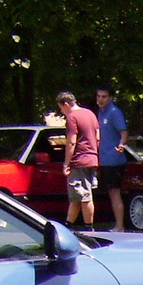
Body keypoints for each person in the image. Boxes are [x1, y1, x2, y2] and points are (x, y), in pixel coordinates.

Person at [57, 91, 100, 227]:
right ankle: (68, 226)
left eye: (61, 108)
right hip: (92, 159)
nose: (61, 111)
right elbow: (98, 137)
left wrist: (66, 163)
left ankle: (89, 228)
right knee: (76, 197)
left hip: (79, 161)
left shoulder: (72, 116)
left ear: (66, 104)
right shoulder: (90, 114)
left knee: (85, 196)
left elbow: (71, 142)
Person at [94, 85, 128, 230]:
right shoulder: (101, 113)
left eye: (104, 97)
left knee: (115, 192)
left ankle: (120, 226)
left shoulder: (114, 112)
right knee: (109, 192)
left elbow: (124, 132)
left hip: (114, 160)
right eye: (99, 96)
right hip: (104, 159)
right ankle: (117, 224)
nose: (101, 99)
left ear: (111, 98)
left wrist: (121, 144)